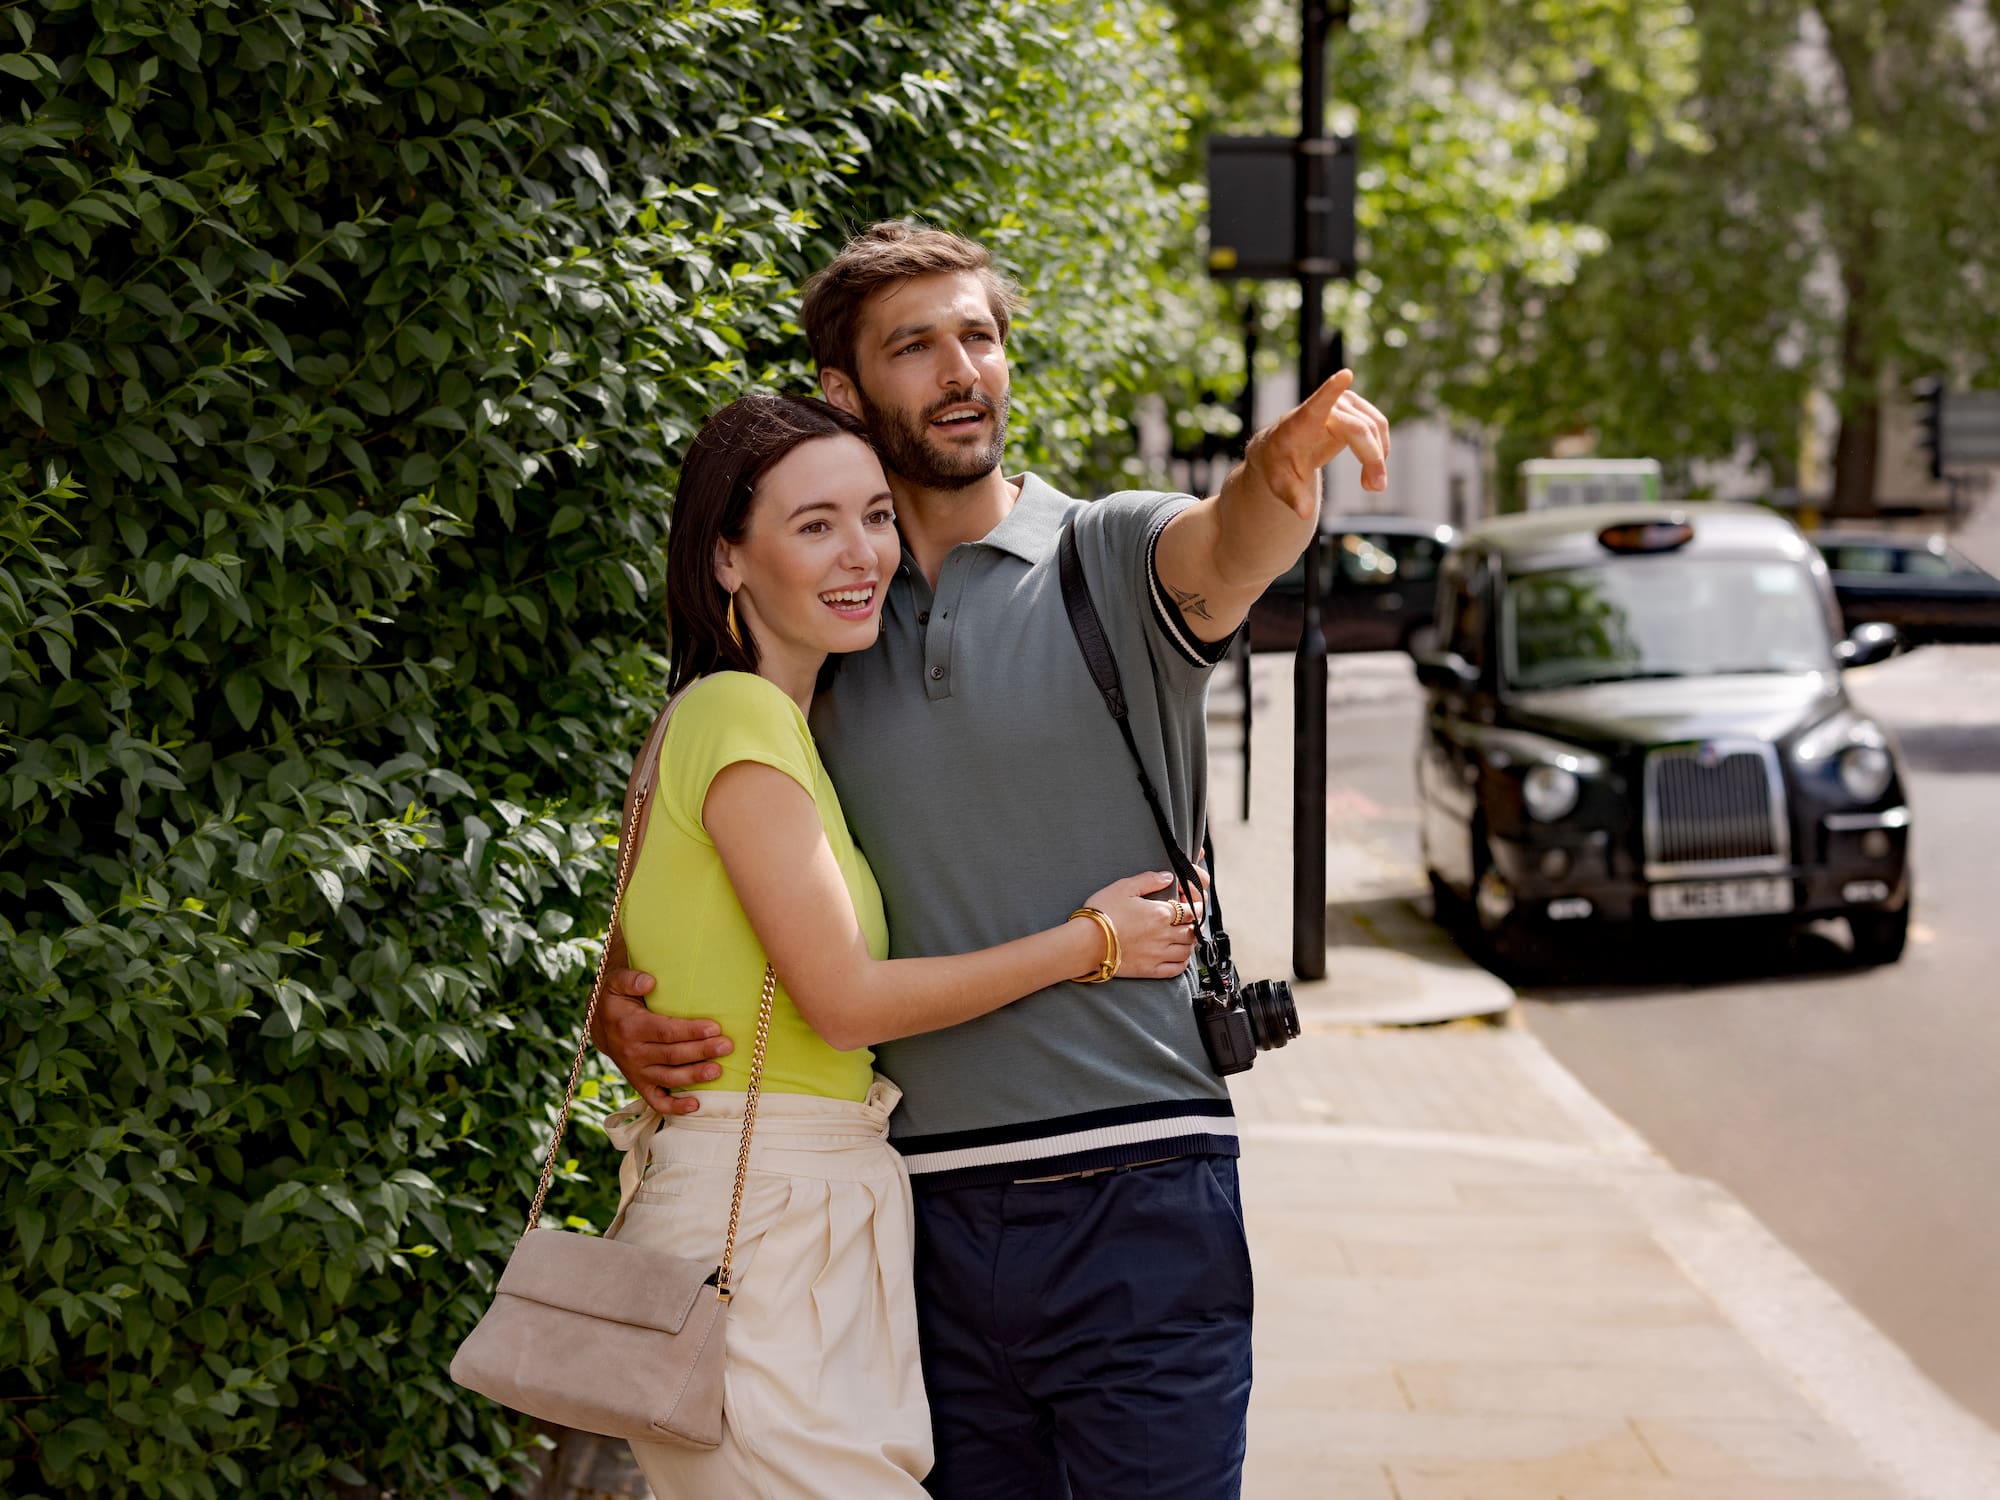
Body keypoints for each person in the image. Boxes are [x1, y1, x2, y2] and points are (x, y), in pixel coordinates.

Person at [596, 224, 1390, 1498]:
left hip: (1139, 1183)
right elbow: (702, 889)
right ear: (845, 395)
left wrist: (1274, 482)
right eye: (913, 347)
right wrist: (614, 1010)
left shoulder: (1111, 557)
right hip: (913, 1215)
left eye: (978, 335)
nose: (960, 368)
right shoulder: (821, 623)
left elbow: (1227, 546)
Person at [608, 390, 1198, 1497]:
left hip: (800, 1210)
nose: (862, 551)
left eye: (875, 516)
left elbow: (679, 953)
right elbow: (843, 1001)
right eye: (813, 523)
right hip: (764, 1218)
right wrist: (1089, 943)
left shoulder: (764, 724)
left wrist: (611, 1012)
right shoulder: (738, 719)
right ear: (726, 559)